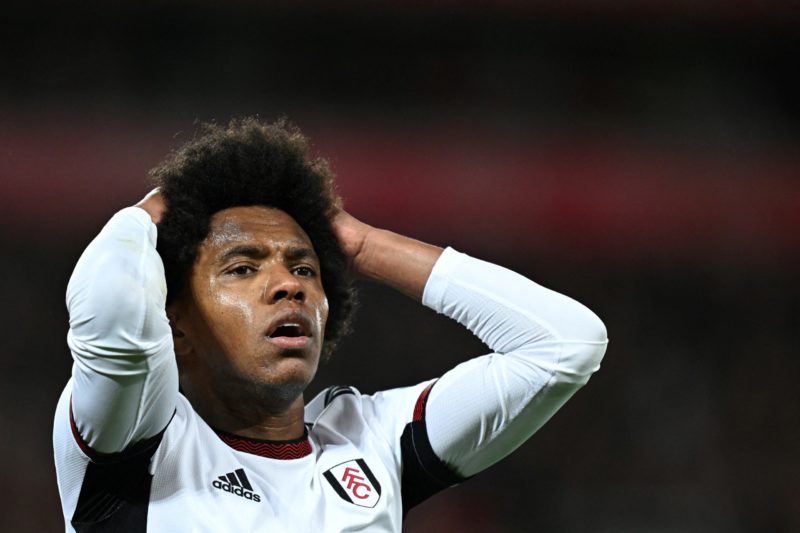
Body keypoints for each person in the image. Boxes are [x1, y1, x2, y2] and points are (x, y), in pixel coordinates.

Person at [53, 118, 608, 532]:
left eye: (303, 267)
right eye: (243, 268)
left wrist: (365, 244)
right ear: (175, 323)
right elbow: (112, 313)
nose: (287, 285)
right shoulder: (136, 439)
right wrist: (150, 213)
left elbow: (565, 344)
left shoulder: (370, 441)